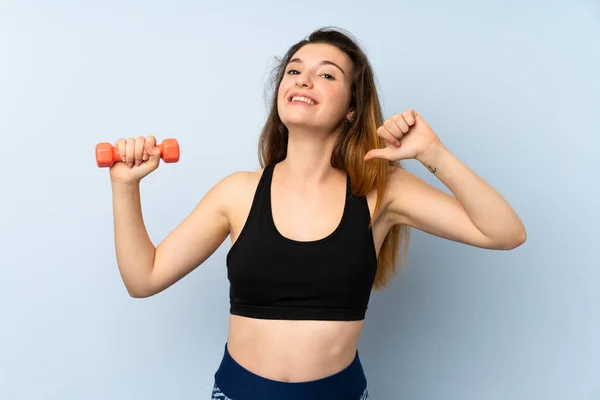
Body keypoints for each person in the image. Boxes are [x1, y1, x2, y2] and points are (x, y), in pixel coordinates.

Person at [107, 27, 526, 399]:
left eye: (327, 74)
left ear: (351, 108)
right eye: (294, 70)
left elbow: (505, 233)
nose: (303, 79)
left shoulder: (382, 192)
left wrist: (434, 154)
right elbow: (143, 279)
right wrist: (125, 186)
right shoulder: (237, 192)